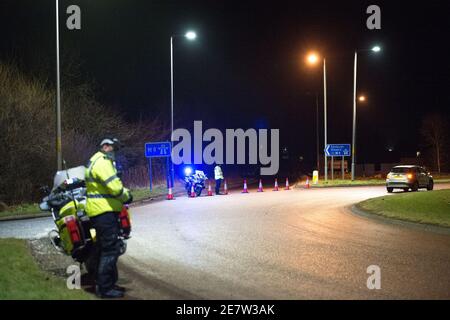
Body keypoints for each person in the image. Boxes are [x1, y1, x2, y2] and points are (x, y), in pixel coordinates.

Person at [85, 137, 132, 299]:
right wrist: (127, 195)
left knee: (102, 248)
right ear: (105, 146)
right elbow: (115, 187)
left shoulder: (95, 161)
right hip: (103, 212)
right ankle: (105, 288)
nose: (115, 152)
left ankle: (107, 283)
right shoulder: (102, 163)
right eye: (113, 148)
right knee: (110, 249)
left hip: (100, 212)